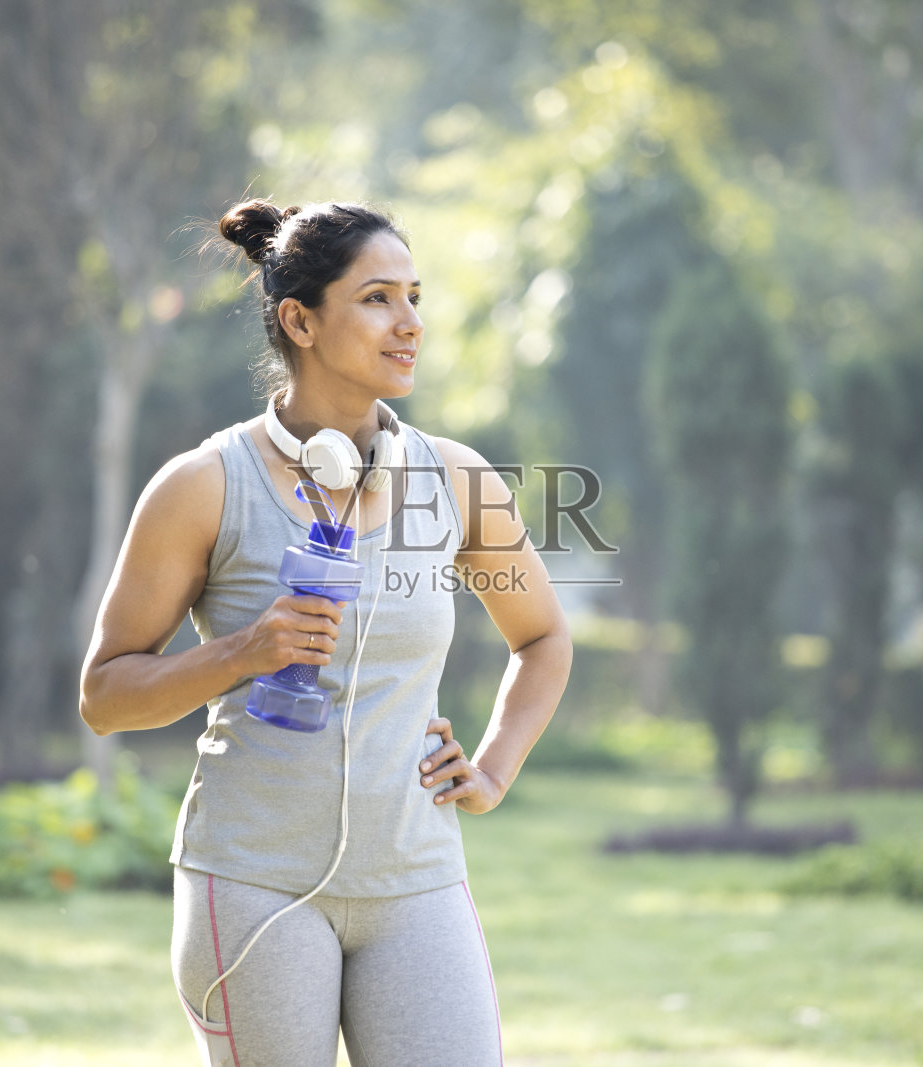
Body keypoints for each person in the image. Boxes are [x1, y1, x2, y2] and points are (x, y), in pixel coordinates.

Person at [78, 198, 572, 1067]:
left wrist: (493, 770)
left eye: (416, 296)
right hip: (254, 884)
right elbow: (105, 697)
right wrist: (245, 649)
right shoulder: (202, 487)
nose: (410, 323)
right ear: (298, 320)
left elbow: (542, 639)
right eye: (379, 298)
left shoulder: (456, 480)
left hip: (415, 881)